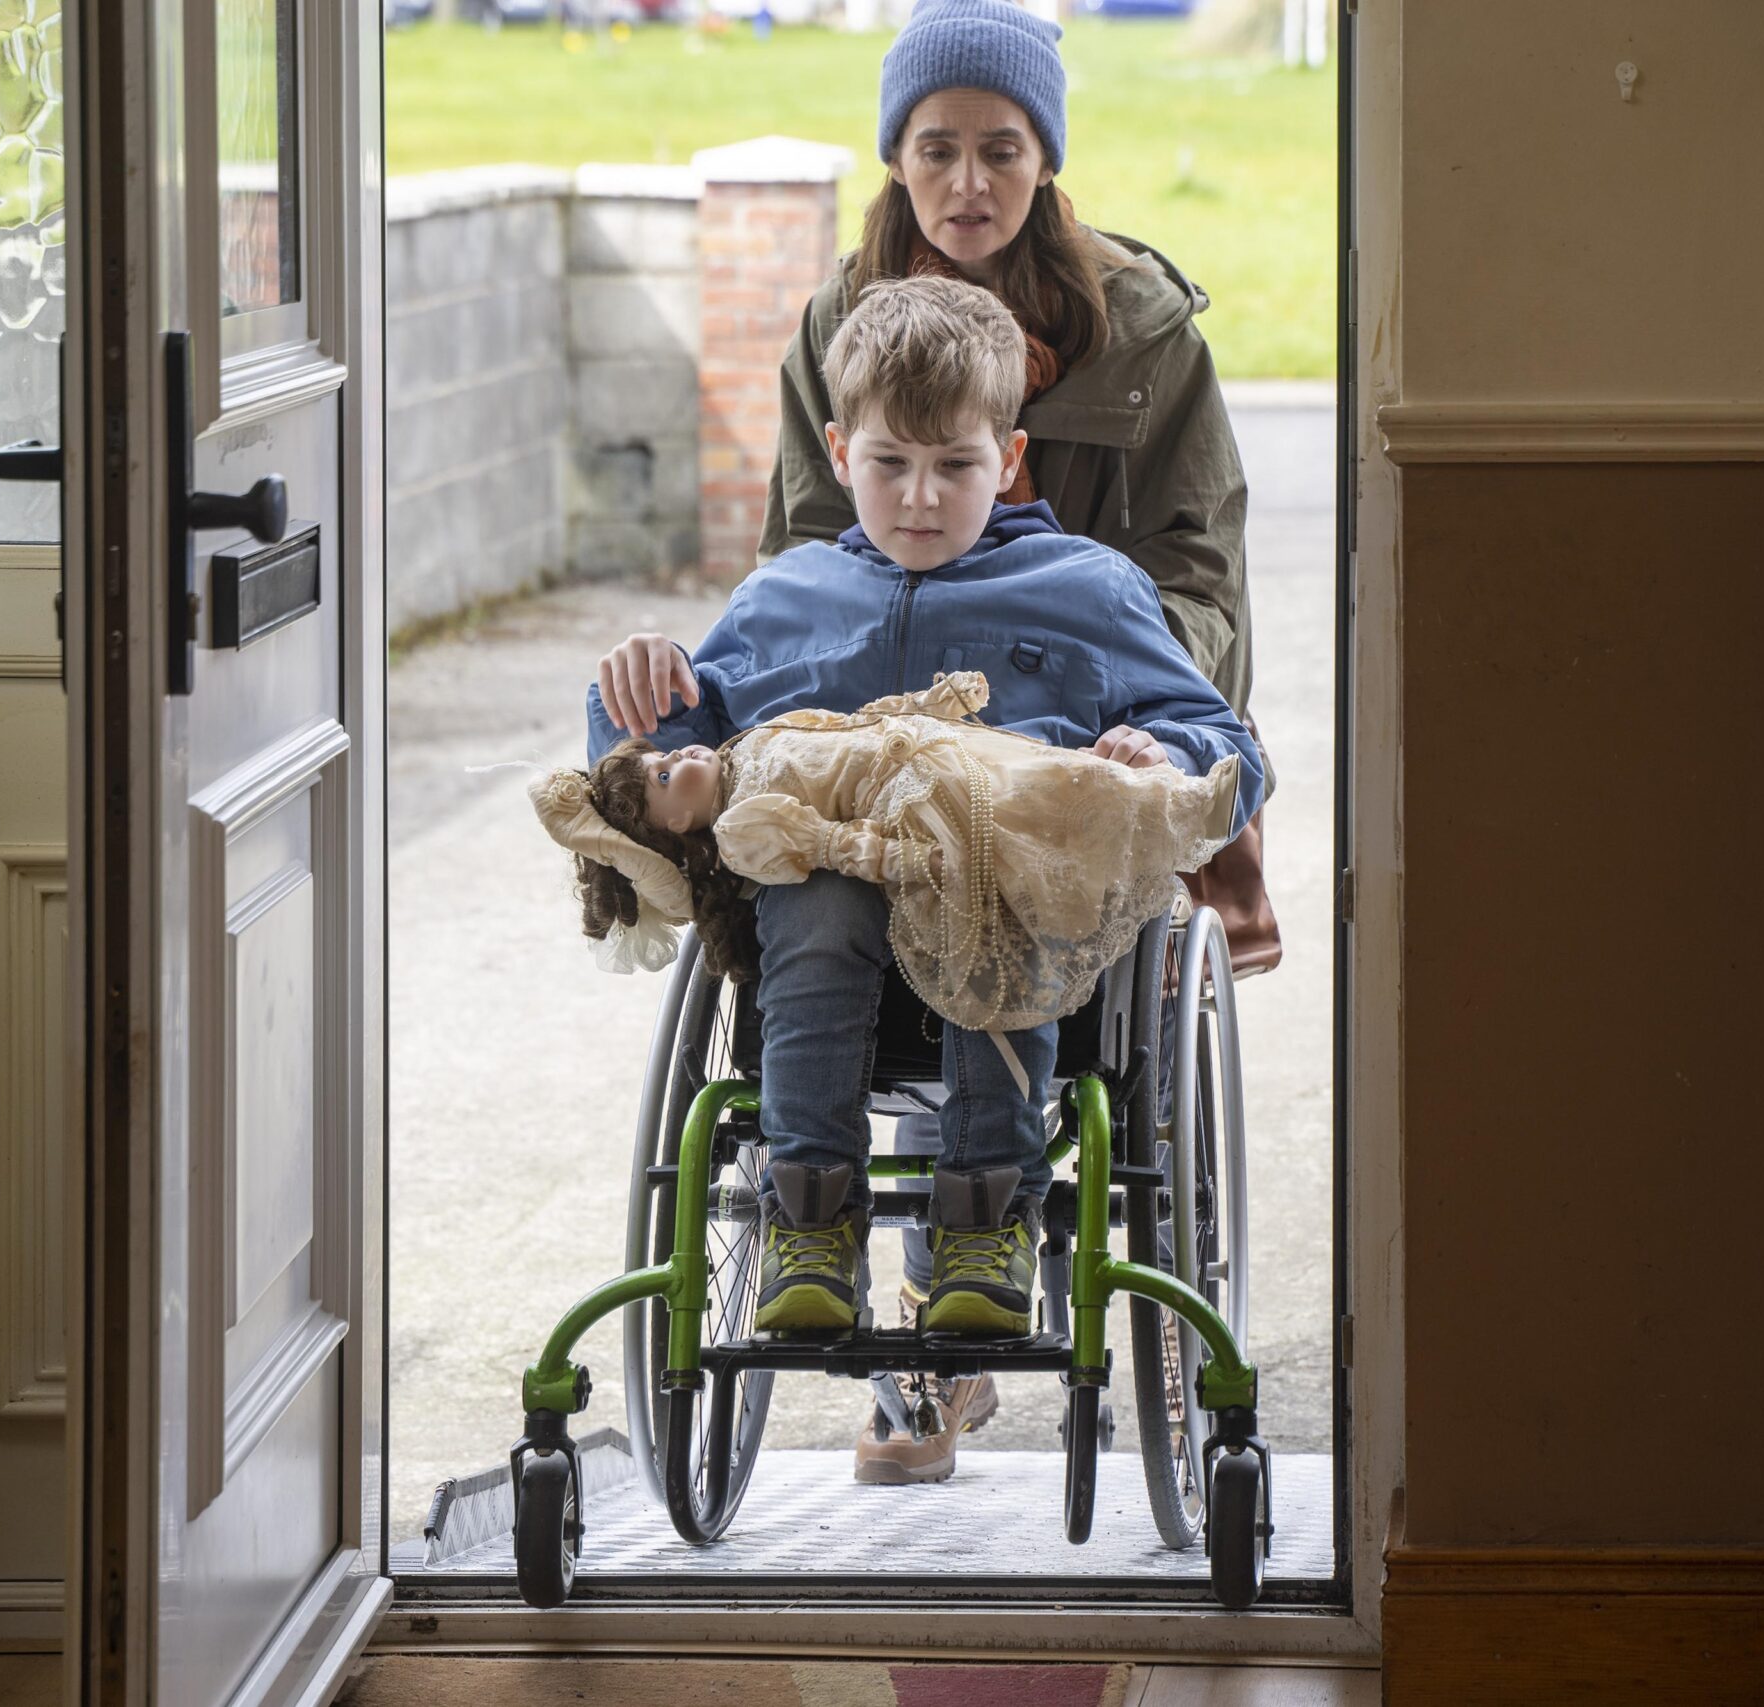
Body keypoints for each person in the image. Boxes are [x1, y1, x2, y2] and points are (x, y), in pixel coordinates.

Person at [756, 0, 1278, 1478]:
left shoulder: (1142, 330)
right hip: (890, 732)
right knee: (847, 892)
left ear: (1046, 157)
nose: (967, 182)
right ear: (896, 156)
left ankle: (988, 1303)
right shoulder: (837, 325)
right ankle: (899, 1307)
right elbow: (802, 560)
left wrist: (1123, 721)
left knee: (1024, 904)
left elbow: (1199, 567)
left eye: (1001, 149)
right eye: (936, 149)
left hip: (1086, 708)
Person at [569, 277, 1262, 1369]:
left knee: (994, 879)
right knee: (816, 894)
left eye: (956, 466)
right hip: (820, 919)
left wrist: (1161, 753)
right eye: (889, 463)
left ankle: (987, 1224)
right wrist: (637, 691)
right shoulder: (783, 598)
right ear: (839, 453)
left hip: (1014, 908)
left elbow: (1223, 743)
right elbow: (674, 767)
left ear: (1010, 457)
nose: (920, 497)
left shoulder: (1089, 589)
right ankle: (809, 1220)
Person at [537, 664, 1245, 1118]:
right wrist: (899, 857)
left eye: (662, 757)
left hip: (930, 758)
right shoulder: (745, 826)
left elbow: (849, 726)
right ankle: (825, 1198)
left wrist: (927, 704)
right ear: (678, 828)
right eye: (664, 778)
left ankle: (1174, 803)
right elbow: (828, 842)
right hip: (910, 814)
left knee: (1048, 782)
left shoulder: (744, 751)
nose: (678, 753)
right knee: (1022, 824)